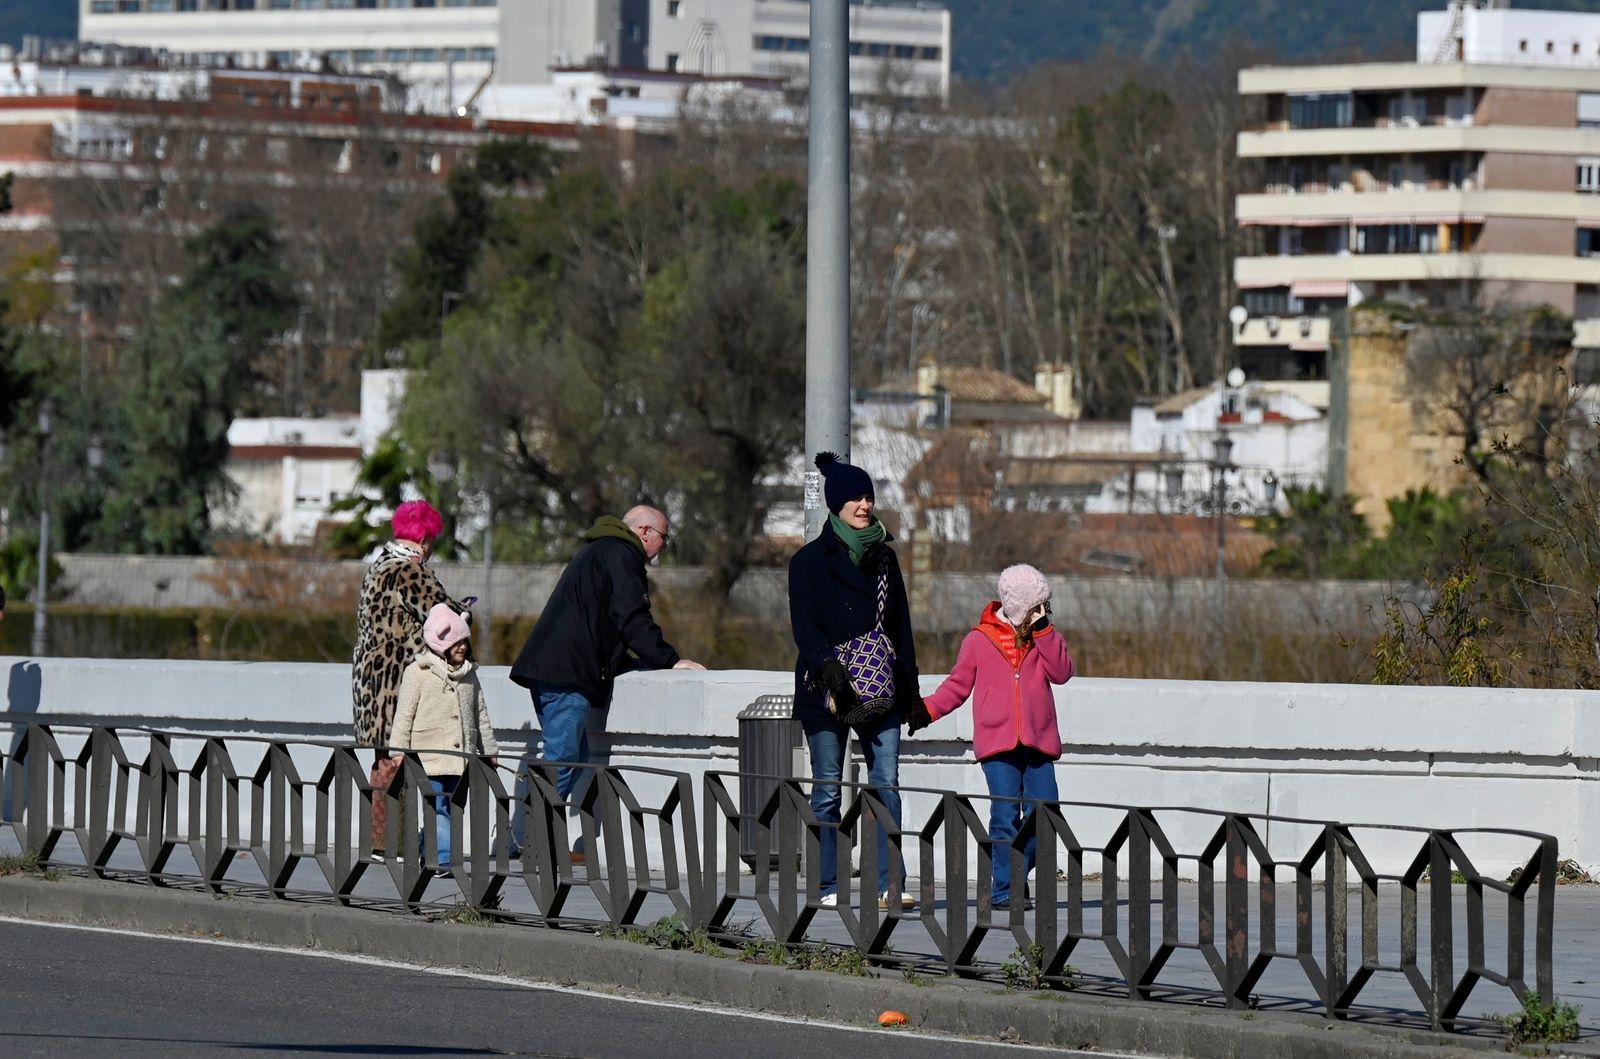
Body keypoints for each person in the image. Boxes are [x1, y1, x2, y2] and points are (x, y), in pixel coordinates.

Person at [510, 506, 704, 829]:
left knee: (574, 756)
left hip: (553, 668)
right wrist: (670, 661)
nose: (663, 547)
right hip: (568, 674)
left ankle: (530, 835)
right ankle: (533, 839)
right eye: (664, 538)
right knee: (564, 760)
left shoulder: (600, 550)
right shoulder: (621, 554)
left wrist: (627, 663)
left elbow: (598, 623)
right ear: (645, 532)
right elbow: (631, 615)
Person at [788, 452, 923, 911]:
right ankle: (827, 883)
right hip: (826, 689)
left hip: (881, 687)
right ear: (836, 503)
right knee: (828, 785)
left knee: (886, 782)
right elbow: (805, 628)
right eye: (856, 498)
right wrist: (830, 671)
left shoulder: (885, 558)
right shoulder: (808, 561)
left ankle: (889, 883)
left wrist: (911, 691)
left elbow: (901, 628)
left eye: (869, 497)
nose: (865, 505)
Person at [912, 564, 1074, 911]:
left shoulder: (1044, 637)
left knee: (1046, 815)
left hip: (1039, 742)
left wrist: (1044, 632)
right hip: (998, 745)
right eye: (1036, 606)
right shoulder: (979, 640)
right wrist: (927, 711)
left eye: (1045, 605)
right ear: (1018, 605)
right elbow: (957, 685)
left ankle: (1015, 872)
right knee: (1004, 817)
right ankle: (1004, 890)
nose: (1043, 611)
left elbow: (1062, 673)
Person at [351, 499, 467, 856]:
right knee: (401, 763)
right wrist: (465, 612)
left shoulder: (379, 565)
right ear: (425, 539)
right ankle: (396, 846)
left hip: (371, 683)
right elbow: (442, 616)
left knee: (384, 761)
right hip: (398, 683)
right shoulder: (410, 571)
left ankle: (382, 843)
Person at [391, 603, 498, 870]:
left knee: (451, 806)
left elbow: (481, 714)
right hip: (429, 756)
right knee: (439, 805)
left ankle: (427, 845)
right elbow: (404, 714)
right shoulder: (417, 673)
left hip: (461, 757)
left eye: (464, 642)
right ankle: (444, 860)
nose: (462, 647)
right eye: (455, 642)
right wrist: (398, 751)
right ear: (441, 644)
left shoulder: (470, 675)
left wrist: (489, 750)